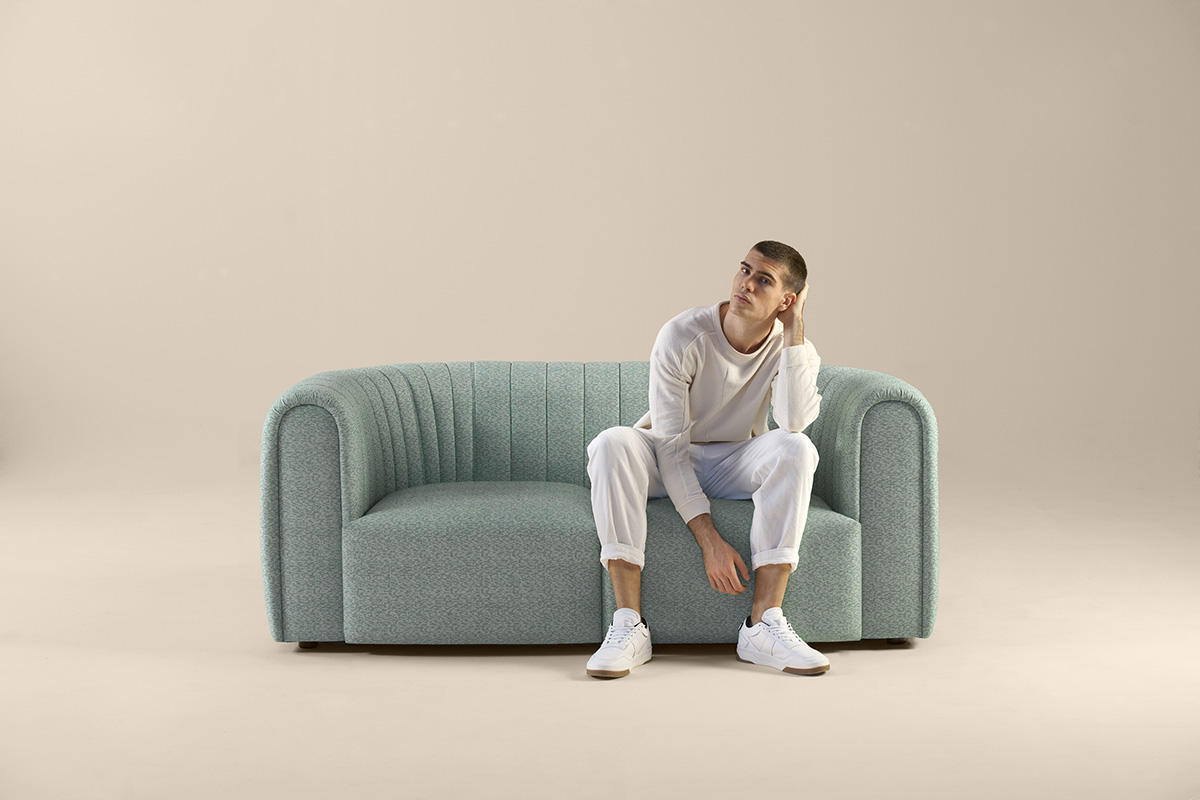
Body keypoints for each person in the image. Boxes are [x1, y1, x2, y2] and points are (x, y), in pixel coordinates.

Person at [584, 240, 829, 678]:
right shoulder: (683, 334)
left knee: (797, 447)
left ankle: (764, 625)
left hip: (735, 458)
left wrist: (794, 330)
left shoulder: (795, 350)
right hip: (667, 456)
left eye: (764, 280)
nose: (745, 284)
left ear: (787, 300)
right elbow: (669, 447)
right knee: (611, 443)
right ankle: (628, 625)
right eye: (745, 270)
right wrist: (709, 540)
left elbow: (793, 421)